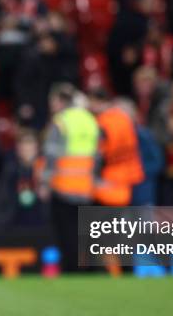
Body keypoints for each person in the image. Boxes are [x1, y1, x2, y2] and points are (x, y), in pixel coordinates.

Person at [41, 83, 99, 272]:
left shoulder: (61, 121)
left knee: (66, 234)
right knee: (86, 234)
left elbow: (52, 155)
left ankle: (72, 269)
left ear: (60, 101)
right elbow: (97, 155)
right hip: (86, 187)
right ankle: (90, 269)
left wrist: (45, 182)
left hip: (63, 186)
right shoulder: (90, 120)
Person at [87, 88, 144, 206]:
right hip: (125, 183)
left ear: (97, 102)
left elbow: (99, 155)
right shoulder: (124, 119)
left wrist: (94, 178)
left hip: (106, 183)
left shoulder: (102, 123)